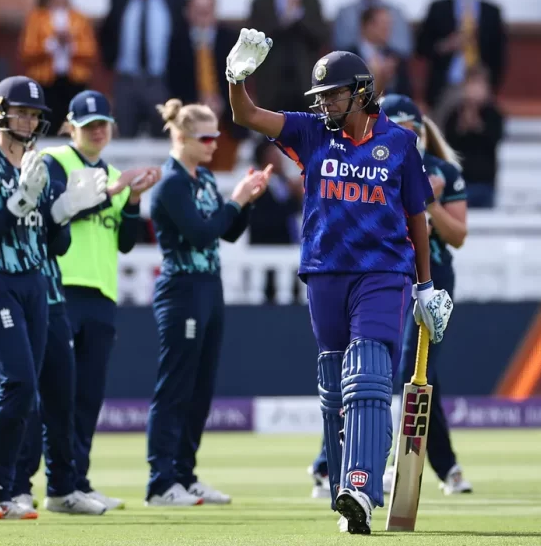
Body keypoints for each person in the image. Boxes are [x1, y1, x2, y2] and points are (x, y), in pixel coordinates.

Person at [226, 30, 453, 534]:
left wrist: (424, 285)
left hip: (382, 273)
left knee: (369, 378)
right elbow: (247, 116)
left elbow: (417, 215)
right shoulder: (311, 133)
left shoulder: (399, 143)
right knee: (335, 387)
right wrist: (236, 79)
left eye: (334, 94)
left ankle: (362, 485)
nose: (325, 103)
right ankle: (345, 497)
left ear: (362, 92)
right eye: (320, 96)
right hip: (324, 274)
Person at [0, 76, 107, 520]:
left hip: (35, 284)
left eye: (34, 114)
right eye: (21, 112)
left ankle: (2, 487)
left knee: (34, 392)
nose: (28, 120)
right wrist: (19, 203)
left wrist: (63, 212)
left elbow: (53, 244)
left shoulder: (35, 163)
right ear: (0, 113)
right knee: (18, 382)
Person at [32, 90, 160, 511]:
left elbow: (125, 243)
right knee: (56, 395)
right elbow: (60, 211)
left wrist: (134, 200)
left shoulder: (115, 174)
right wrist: (114, 190)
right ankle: (50, 484)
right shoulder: (56, 162)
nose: (98, 131)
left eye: (103, 123)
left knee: (87, 397)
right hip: (63, 289)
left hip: (102, 295)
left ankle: (77, 483)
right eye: (89, 125)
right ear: (71, 126)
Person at [145, 98, 270, 507]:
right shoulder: (171, 184)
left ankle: (184, 474)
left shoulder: (200, 180)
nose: (215, 144)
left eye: (216, 136)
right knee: (176, 386)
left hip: (208, 286)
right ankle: (161, 482)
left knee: (200, 387)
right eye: (206, 137)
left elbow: (227, 233)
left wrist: (246, 201)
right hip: (182, 288)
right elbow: (201, 233)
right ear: (180, 137)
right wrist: (235, 201)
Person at [382, 94, 471, 494]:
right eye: (397, 127)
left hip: (434, 281)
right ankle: (446, 467)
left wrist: (430, 203)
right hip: (389, 277)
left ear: (421, 131)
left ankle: (401, 465)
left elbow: (458, 236)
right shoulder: (375, 164)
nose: (407, 135)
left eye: (412, 129)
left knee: (412, 371)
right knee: (395, 370)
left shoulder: (443, 172)